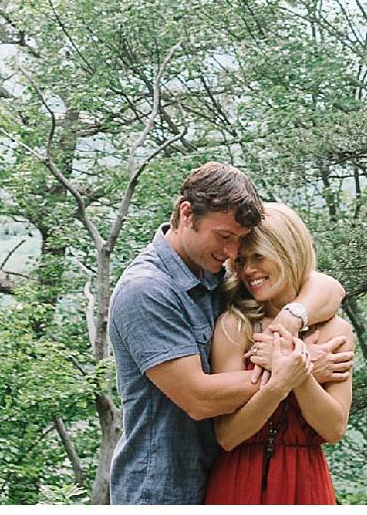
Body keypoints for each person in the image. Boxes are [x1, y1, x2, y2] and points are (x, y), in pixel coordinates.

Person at [107, 164, 352, 505]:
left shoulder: (214, 275)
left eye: (240, 241)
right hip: (161, 488)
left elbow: (329, 287)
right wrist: (299, 366)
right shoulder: (147, 290)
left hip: (220, 480)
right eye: (225, 237)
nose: (233, 254)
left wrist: (292, 318)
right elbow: (199, 398)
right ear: (187, 213)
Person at [204, 202, 351, 505]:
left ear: (288, 251)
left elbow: (334, 429)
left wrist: (299, 372)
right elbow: (227, 436)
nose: (248, 270)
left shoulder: (336, 330)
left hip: (307, 483)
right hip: (239, 478)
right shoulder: (235, 325)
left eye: (258, 256)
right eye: (241, 260)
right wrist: (279, 384)